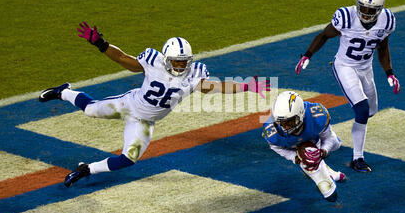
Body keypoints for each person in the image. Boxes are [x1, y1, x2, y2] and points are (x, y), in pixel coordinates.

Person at [39, 22, 270, 187]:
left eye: (183, 62)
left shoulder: (194, 74)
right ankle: (65, 92)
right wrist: (101, 43)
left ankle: (87, 169)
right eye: (176, 62)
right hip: (129, 104)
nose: (180, 66)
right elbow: (124, 59)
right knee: (89, 110)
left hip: (146, 121)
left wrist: (246, 86)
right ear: (166, 58)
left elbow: (215, 87)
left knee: (128, 158)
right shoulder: (154, 61)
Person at [295, 0, 400, 173]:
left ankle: (330, 133)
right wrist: (307, 55)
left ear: (380, 10)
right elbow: (324, 35)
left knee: (371, 111)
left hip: (365, 68)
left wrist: (389, 73)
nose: (366, 13)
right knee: (362, 109)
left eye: (371, 10)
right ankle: (357, 158)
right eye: (364, 8)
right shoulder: (346, 17)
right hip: (344, 66)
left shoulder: (387, 21)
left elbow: (383, 48)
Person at [262, 91, 345, 202]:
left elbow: (329, 138)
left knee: (336, 144)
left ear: (301, 114)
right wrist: (295, 157)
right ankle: (322, 172)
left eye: (289, 122)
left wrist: (323, 152)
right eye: (281, 123)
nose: (285, 127)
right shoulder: (273, 132)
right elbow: (276, 147)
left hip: (314, 137)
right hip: (294, 146)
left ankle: (325, 169)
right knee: (330, 195)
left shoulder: (315, 116)